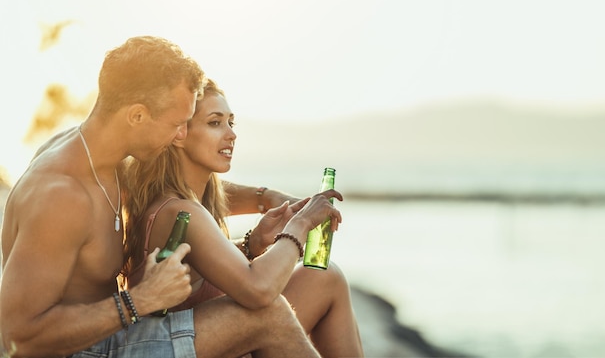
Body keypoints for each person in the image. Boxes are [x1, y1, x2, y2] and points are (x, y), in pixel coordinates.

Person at [0, 36, 324, 358]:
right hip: (85, 351)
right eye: (178, 123)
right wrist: (140, 300)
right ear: (138, 116)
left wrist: (263, 199)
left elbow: (175, 188)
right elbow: (19, 337)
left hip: (113, 332)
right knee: (269, 315)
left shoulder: (102, 157)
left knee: (314, 287)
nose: (181, 136)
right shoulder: (62, 197)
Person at [123, 78, 364, 357]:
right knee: (274, 307)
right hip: (181, 346)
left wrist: (253, 242)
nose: (231, 134)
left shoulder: (191, 200)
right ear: (180, 134)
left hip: (215, 342)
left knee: (324, 277)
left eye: (231, 123)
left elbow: (205, 259)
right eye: (215, 123)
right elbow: (258, 289)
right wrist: (301, 225)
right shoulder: (180, 211)